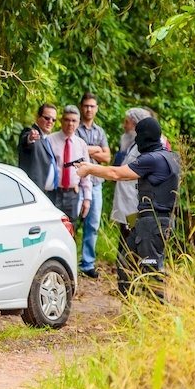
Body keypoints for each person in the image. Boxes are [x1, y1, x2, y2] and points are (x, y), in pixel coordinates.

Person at [76, 117, 180, 300]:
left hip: (153, 222)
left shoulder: (153, 159)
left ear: (146, 137)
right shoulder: (167, 156)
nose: (136, 139)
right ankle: (132, 306)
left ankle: (157, 315)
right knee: (126, 262)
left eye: (139, 135)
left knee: (151, 272)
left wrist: (90, 168)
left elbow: (117, 173)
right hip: (148, 220)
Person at [110, 108, 153, 280]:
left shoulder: (144, 146)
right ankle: (125, 279)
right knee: (124, 239)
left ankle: (132, 279)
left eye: (127, 121)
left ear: (135, 124)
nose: (124, 125)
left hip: (134, 204)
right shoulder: (129, 142)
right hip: (125, 202)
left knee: (131, 241)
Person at [75, 92, 110, 278]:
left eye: (92, 106)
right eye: (86, 106)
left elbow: (107, 157)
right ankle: (68, 262)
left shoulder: (100, 131)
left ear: (96, 109)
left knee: (93, 224)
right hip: (77, 183)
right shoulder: (75, 128)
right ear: (82, 107)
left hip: (96, 183)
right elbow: (75, 151)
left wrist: (89, 150)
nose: (89, 109)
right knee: (72, 222)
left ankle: (87, 264)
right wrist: (97, 149)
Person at [49, 105, 91, 225]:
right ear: (61, 121)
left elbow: (86, 173)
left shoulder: (81, 144)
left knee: (70, 229)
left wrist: (87, 199)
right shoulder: (50, 140)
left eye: (74, 121)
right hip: (54, 192)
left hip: (73, 193)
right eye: (67, 120)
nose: (70, 124)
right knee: (52, 227)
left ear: (78, 123)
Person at [18, 103, 59, 202]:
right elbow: (26, 141)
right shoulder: (31, 132)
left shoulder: (46, 139)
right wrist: (30, 138)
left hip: (45, 195)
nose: (50, 122)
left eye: (53, 120)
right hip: (31, 194)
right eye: (47, 118)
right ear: (37, 117)